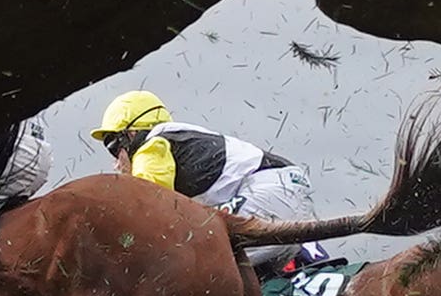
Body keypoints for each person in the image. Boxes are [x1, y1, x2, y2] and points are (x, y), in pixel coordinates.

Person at [88, 89, 308, 228]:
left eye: (113, 145)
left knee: (191, 258)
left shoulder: (151, 145)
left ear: (132, 134)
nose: (116, 162)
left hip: (267, 191)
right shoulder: (176, 138)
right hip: (285, 188)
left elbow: (146, 201)